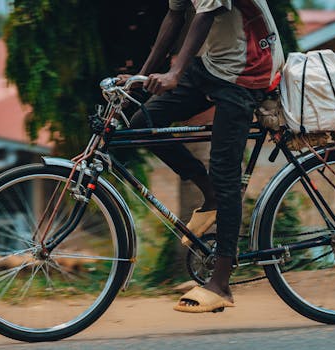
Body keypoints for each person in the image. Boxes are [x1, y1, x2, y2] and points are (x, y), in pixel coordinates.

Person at [122, 0, 284, 313]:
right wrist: (139, 80)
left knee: (226, 172)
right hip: (213, 64)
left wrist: (175, 72)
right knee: (143, 124)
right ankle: (209, 194)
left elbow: (207, 13)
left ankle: (221, 283)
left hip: (248, 67)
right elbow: (174, 14)